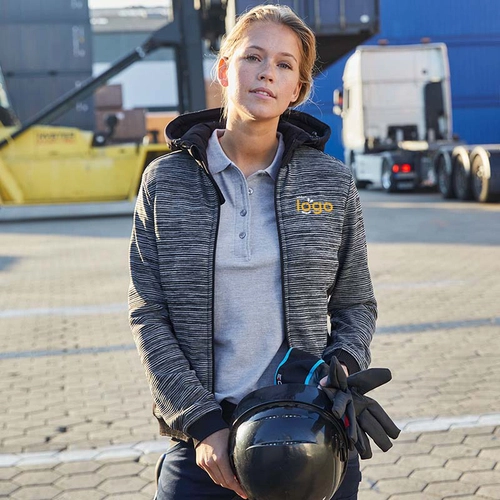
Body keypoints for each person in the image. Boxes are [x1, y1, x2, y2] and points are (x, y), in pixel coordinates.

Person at [128, 4, 377, 499]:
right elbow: (148, 313)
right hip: (206, 442)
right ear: (224, 70)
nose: (267, 72)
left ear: (298, 90)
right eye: (253, 57)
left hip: (309, 432)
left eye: (285, 65)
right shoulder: (166, 182)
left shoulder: (331, 183)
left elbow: (355, 303)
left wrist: (339, 372)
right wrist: (200, 423)